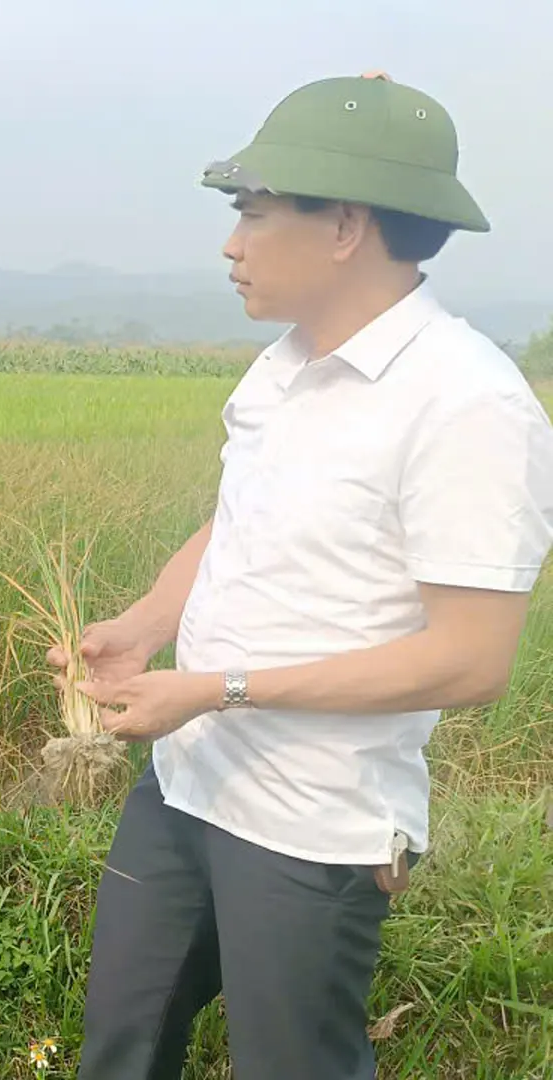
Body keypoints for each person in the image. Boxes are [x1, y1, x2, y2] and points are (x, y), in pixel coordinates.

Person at [56, 74, 553, 1080]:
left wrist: (219, 690)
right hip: (185, 784)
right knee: (119, 1045)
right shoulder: (282, 366)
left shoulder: (467, 405)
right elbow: (239, 520)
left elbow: (471, 661)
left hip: (312, 824)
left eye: (253, 212)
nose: (232, 243)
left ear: (346, 227)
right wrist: (148, 623)